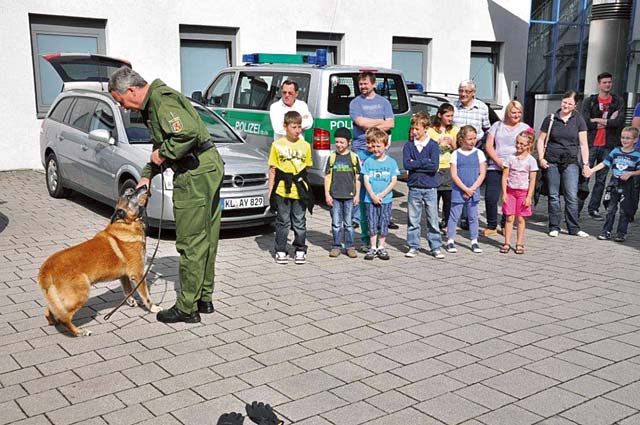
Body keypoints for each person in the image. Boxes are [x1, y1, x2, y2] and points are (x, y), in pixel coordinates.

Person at [108, 66, 224, 324]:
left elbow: (186, 133)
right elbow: (165, 140)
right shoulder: (155, 103)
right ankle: (203, 298)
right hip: (207, 166)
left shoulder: (160, 100)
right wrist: (149, 173)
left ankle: (187, 308)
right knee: (206, 236)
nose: (124, 107)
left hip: (194, 173)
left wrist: (161, 155)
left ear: (131, 90)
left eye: (121, 101)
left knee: (191, 242)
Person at [537, 90, 590, 238]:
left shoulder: (578, 120)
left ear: (575, 105)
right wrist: (541, 158)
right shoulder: (551, 118)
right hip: (552, 160)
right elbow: (540, 139)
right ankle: (554, 226)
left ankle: (573, 227)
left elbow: (584, 144)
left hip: (571, 161)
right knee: (553, 195)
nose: (566, 105)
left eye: (570, 103)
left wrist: (586, 164)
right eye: (564, 102)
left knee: (572, 195)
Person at [349, 71, 398, 230]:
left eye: (365, 84)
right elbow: (360, 122)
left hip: (381, 147)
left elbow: (391, 123)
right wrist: (380, 121)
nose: (362, 86)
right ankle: (357, 216)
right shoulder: (355, 103)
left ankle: (384, 214)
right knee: (361, 182)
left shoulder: (384, 102)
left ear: (374, 84)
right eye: (360, 84)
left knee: (382, 180)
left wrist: (372, 124)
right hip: (361, 147)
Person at [268, 111, 313, 265]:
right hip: (282, 189)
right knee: (283, 221)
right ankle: (280, 249)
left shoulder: (305, 145)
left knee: (299, 221)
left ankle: (300, 248)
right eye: (294, 127)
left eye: (299, 126)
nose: (297, 130)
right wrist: (270, 190)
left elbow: (306, 167)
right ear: (285, 126)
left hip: (299, 189)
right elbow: (273, 169)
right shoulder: (277, 145)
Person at [580, 72, 626, 220]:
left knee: (601, 180)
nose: (608, 85)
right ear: (599, 84)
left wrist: (596, 120)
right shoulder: (590, 101)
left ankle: (593, 209)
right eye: (605, 82)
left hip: (608, 146)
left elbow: (618, 123)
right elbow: (586, 123)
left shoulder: (617, 101)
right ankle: (576, 209)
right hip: (591, 145)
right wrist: (605, 123)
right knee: (584, 177)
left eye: (610, 82)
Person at [483, 100, 530, 236]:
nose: (516, 115)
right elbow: (489, 145)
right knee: (491, 196)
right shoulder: (497, 126)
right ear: (508, 112)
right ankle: (491, 225)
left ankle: (505, 224)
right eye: (513, 112)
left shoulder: (525, 128)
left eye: (519, 112)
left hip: (515, 168)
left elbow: (529, 147)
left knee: (508, 197)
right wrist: (498, 161)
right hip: (496, 166)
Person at [404, 112, 445, 259]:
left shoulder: (433, 146)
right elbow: (406, 164)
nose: (414, 132)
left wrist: (417, 163)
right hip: (414, 186)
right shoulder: (409, 146)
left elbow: (434, 166)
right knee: (413, 219)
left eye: (417, 129)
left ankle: (435, 246)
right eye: (413, 128)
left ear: (426, 128)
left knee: (432, 219)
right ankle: (413, 246)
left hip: (430, 187)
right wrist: (423, 162)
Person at [588, 127, 640, 242]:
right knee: (610, 209)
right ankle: (606, 231)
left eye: (628, 138)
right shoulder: (615, 151)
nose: (624, 140)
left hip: (628, 185)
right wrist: (591, 170)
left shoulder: (637, 154)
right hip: (614, 183)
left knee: (624, 210)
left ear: (635, 140)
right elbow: (604, 163)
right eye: (623, 137)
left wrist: (631, 173)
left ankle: (621, 233)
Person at [452, 80, 491, 230]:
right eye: (461, 90)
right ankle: (457, 216)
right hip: (457, 149)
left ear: (473, 93)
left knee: (472, 181)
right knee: (458, 182)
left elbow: (486, 128)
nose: (463, 94)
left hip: (475, 148)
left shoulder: (482, 107)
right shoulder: (454, 106)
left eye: (466, 92)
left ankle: (469, 217)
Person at [445, 126, 486, 254]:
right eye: (469, 139)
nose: (473, 141)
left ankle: (474, 240)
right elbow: (454, 174)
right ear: (461, 139)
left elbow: (482, 173)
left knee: (473, 216)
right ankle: (450, 240)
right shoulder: (455, 154)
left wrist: (472, 189)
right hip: (459, 190)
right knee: (454, 216)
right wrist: (464, 189)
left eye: (474, 138)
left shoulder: (479, 153)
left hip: (473, 190)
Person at [361, 128, 400, 260]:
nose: (376, 149)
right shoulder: (369, 161)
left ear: (386, 145)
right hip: (370, 199)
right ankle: (372, 247)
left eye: (379, 146)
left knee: (383, 222)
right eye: (374, 146)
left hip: (386, 200)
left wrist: (382, 195)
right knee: (371, 223)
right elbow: (366, 179)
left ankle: (381, 247)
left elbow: (393, 181)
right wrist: (372, 195)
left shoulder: (391, 162)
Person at [500, 129, 538, 255]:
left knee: (521, 219)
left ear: (529, 145)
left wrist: (529, 197)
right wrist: (504, 193)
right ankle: (507, 242)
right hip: (510, 191)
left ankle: (520, 243)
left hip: (523, 192)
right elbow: (505, 176)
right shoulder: (510, 158)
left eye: (522, 144)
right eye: (517, 143)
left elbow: (532, 180)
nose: (518, 146)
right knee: (509, 217)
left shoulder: (531, 160)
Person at [324, 127, 360, 258]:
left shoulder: (353, 158)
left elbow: (357, 178)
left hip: (349, 196)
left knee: (349, 224)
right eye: (337, 142)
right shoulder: (332, 157)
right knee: (336, 223)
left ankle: (350, 246)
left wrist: (357, 195)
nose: (339, 145)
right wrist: (327, 194)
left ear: (349, 143)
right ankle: (336, 246)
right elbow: (327, 176)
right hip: (335, 196)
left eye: (342, 142)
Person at [427, 103, 459, 231]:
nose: (450, 118)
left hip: (449, 167)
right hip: (436, 168)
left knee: (448, 198)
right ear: (440, 115)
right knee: (434, 198)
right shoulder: (431, 130)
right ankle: (433, 223)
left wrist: (451, 143)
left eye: (452, 116)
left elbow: (459, 150)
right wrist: (437, 143)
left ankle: (446, 223)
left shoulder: (454, 130)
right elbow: (427, 148)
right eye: (447, 115)